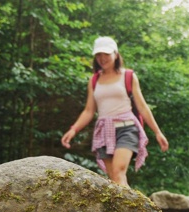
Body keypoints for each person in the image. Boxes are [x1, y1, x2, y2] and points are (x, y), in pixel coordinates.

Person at [61, 36, 169, 187]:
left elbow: (143, 106)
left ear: (116, 54)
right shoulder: (94, 80)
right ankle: (130, 208)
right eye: (98, 55)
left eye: (106, 54)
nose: (102, 58)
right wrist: (73, 130)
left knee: (118, 171)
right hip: (104, 130)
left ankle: (130, 209)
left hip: (127, 128)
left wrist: (157, 132)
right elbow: (89, 111)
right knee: (114, 178)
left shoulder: (128, 76)